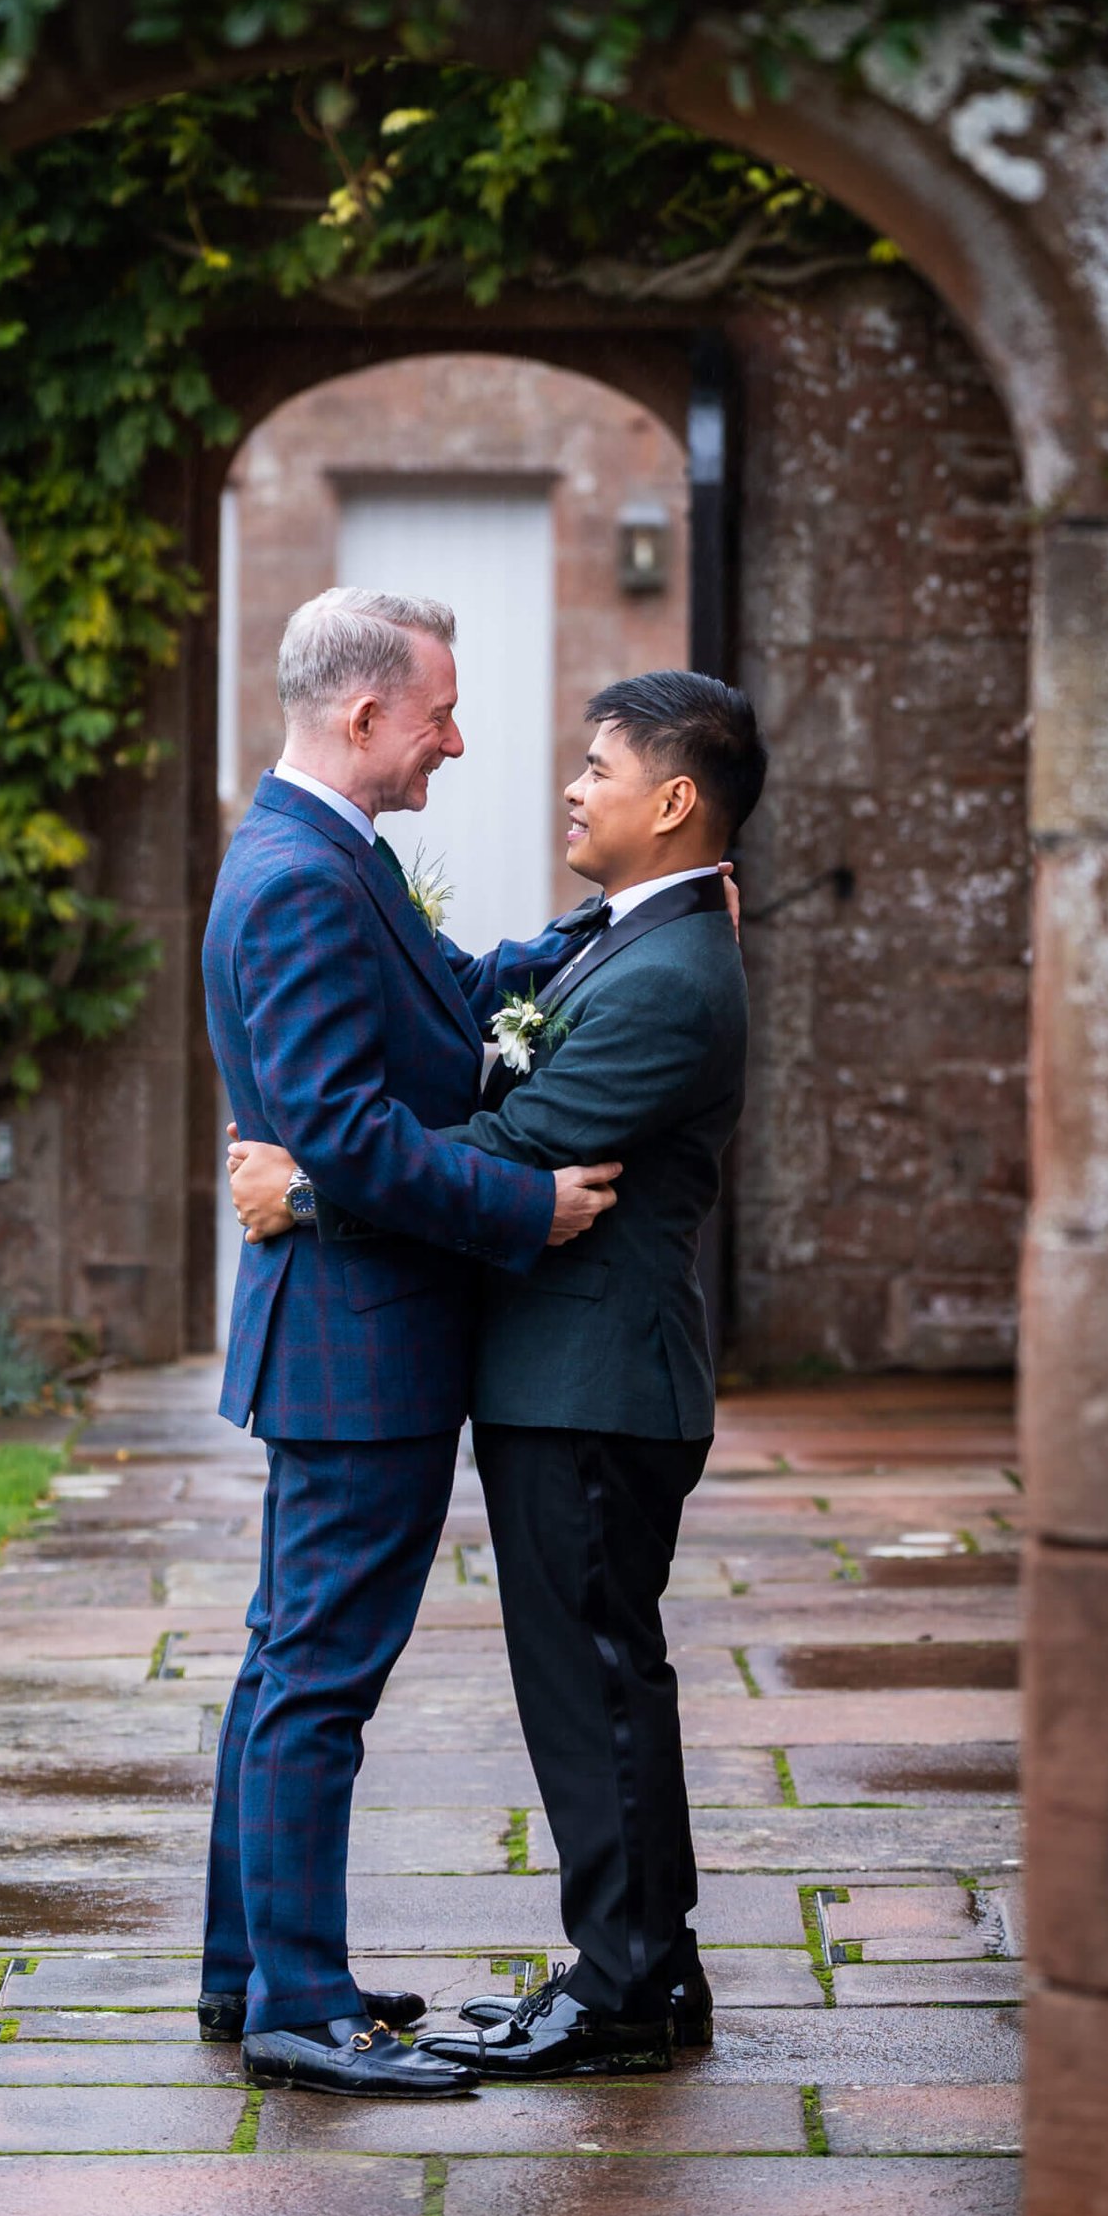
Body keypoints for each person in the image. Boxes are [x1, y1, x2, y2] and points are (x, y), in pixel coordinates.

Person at [229, 667, 766, 2080]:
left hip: (595, 1382)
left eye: (598, 766)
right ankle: (639, 1968)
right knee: (583, 1681)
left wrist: (313, 1192)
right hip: (559, 1379)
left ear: (674, 799)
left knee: (592, 1685)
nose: (570, 786)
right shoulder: (630, 936)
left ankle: (625, 1988)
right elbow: (501, 1023)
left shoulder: (672, 974)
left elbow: (523, 1142)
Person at [199, 585, 623, 2101]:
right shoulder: (305, 875)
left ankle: (248, 1969)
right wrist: (526, 1206)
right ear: (366, 715)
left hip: (343, 1336)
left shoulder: (326, 853)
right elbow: (352, 1138)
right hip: (358, 1345)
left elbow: (442, 1006)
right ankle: (301, 2008)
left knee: (282, 1667)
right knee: (320, 1676)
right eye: (439, 712)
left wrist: (601, 931)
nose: (459, 738)